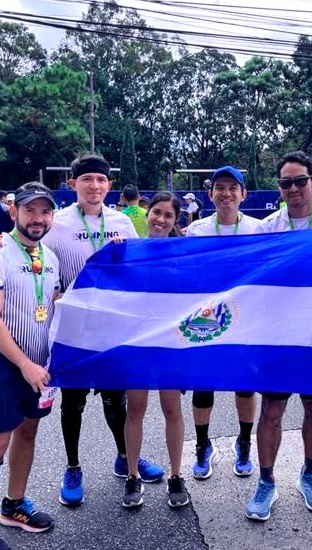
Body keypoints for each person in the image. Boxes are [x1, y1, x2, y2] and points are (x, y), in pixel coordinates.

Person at [0, 155, 164, 509]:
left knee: (115, 400)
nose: (94, 186)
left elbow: (139, 268)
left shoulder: (123, 222)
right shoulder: (55, 222)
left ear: (109, 185)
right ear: (73, 184)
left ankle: (126, 456)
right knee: (72, 402)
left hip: (111, 329)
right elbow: (21, 250)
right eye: (86, 179)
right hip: (71, 330)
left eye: (100, 180)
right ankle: (73, 467)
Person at [246, 151, 312, 521]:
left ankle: (310, 476)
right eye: (285, 183)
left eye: (300, 181)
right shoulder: (267, 228)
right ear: (278, 187)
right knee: (272, 410)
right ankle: (265, 481)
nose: (293, 189)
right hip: (278, 335)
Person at [0, 182, 60, 550]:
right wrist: (24, 364)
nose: (37, 219)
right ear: (14, 211)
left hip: (39, 365)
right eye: (30, 211)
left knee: (28, 433)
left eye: (44, 211)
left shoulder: (49, 257)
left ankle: (14, 505)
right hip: (3, 362)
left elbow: (51, 307)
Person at [185, 166, 263, 481]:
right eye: (220, 187)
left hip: (245, 320)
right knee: (203, 387)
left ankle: (244, 441)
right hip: (206, 318)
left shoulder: (260, 229)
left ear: (243, 194)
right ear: (210, 194)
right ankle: (203, 445)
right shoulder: (197, 230)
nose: (226, 193)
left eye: (233, 187)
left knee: (245, 387)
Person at [122, 191, 190, 510]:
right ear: (146, 213)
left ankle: (176, 475)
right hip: (137, 341)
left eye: (168, 215)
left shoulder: (183, 253)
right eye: (157, 212)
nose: (161, 220)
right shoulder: (130, 250)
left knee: (171, 409)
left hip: (170, 342)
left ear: (176, 221)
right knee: (135, 409)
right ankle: (133, 475)